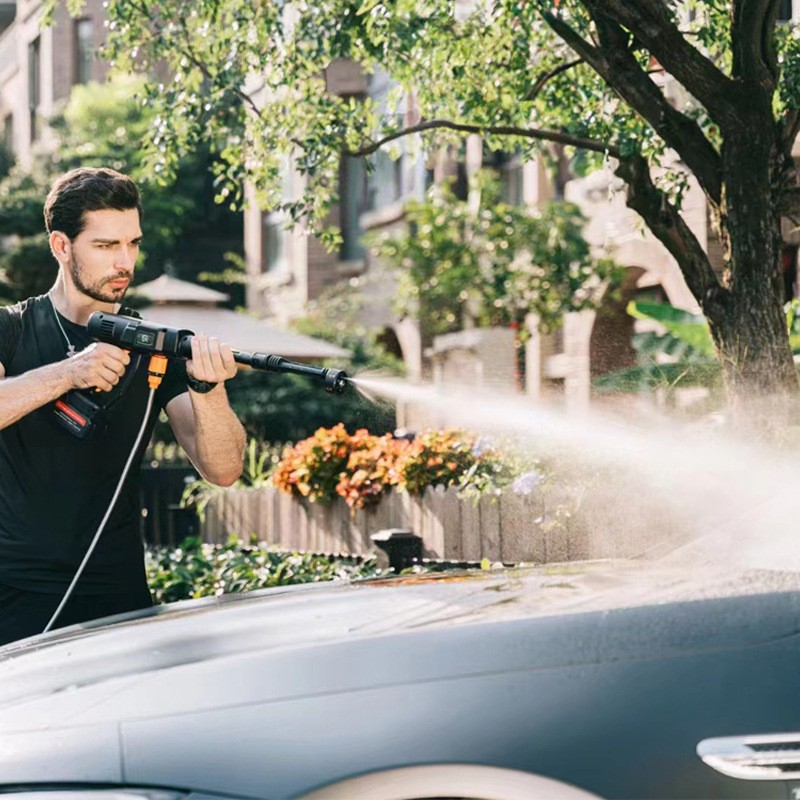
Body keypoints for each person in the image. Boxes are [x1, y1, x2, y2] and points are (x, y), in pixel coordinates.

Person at [0, 167, 246, 646]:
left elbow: (225, 469)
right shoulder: (10, 331)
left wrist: (207, 388)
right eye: (106, 246)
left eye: (132, 243)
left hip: (120, 598)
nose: (125, 262)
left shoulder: (157, 349)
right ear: (61, 246)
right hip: (15, 595)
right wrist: (70, 373)